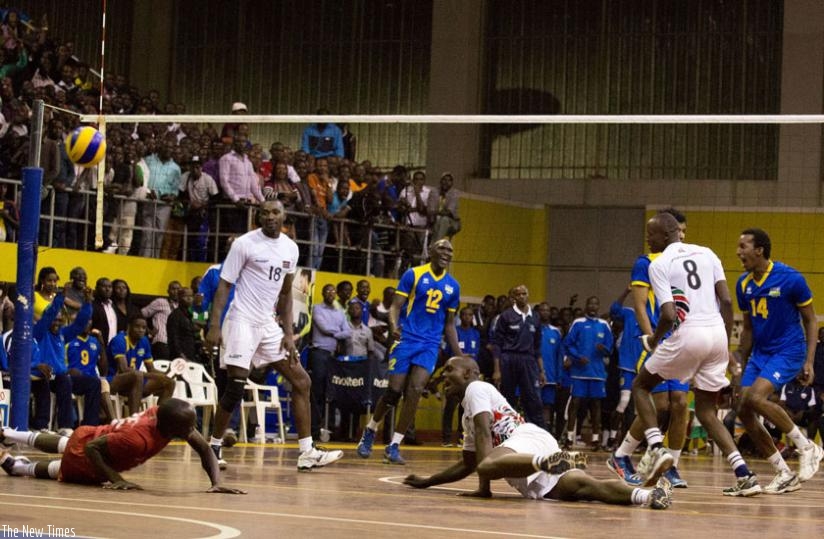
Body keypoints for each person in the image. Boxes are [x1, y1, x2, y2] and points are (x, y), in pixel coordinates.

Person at [402, 356, 672, 510]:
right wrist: (428, 481)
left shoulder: (476, 389)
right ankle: (648, 496)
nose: (444, 374)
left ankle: (546, 463)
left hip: (525, 442)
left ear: (471, 373)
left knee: (488, 463)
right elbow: (468, 464)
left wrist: (485, 478)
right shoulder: (467, 415)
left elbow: (485, 438)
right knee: (588, 488)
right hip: (529, 451)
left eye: (450, 369)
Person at [204, 199, 343, 471]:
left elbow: (286, 295)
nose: (270, 217)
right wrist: (214, 325)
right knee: (235, 386)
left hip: (268, 324)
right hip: (241, 320)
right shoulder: (244, 244)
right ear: (258, 217)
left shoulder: (290, 248)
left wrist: (288, 334)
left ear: (284, 216)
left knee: (301, 380)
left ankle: (307, 452)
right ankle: (214, 446)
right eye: (265, 213)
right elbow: (224, 286)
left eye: (275, 212)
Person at [634, 213, 760, 496]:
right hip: (717, 336)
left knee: (641, 386)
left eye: (650, 234)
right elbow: (726, 301)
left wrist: (654, 340)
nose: (648, 239)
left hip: (688, 335)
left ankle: (655, 448)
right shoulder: (708, 253)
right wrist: (725, 344)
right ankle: (744, 473)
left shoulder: (660, 263)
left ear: (666, 235)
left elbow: (667, 314)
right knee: (706, 411)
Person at [731, 228, 824, 490]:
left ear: (759, 250)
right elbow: (747, 328)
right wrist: (739, 364)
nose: (738, 252)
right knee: (744, 409)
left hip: (788, 350)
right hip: (760, 353)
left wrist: (809, 361)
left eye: (743, 246)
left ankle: (807, 447)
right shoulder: (743, 284)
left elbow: (811, 320)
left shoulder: (790, 278)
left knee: (757, 398)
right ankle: (783, 473)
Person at [356, 239, 462, 464]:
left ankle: (394, 444)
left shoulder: (454, 286)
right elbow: (395, 307)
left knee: (415, 389)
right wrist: (394, 328)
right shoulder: (413, 274)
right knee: (394, 391)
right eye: (442, 248)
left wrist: (459, 356)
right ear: (431, 251)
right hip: (407, 338)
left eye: (450, 250)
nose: (447, 252)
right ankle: (371, 429)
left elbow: (450, 324)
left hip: (430, 344)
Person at [0, 399, 245, 494]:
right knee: (58, 467)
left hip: (94, 434)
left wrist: (216, 484)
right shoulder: (138, 438)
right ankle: (16, 467)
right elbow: (92, 450)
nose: (192, 430)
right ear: (171, 428)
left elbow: (204, 449)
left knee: (66, 442)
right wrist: (116, 478)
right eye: (188, 427)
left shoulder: (165, 416)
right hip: (93, 455)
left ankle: (8, 434)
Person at [608, 210, 691, 488]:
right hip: (658, 342)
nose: (681, 236)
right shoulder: (645, 263)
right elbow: (641, 305)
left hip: (683, 343)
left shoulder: (687, 262)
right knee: (661, 405)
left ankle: (672, 466)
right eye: (677, 230)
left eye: (684, 231)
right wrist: (650, 338)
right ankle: (622, 455)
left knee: (680, 404)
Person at [490, 285, 547, 429]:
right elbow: (497, 344)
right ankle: (505, 431)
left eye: (524, 293)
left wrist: (541, 371)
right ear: (514, 297)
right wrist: (497, 370)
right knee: (507, 398)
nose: (522, 296)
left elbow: (537, 347)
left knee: (533, 399)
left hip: (528, 361)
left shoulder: (535, 316)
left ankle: (537, 433)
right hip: (508, 359)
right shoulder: (506, 316)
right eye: (519, 294)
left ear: (528, 295)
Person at [563, 296, 612, 450]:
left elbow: (609, 348)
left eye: (595, 304)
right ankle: (569, 438)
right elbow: (568, 344)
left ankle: (596, 440)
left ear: (598, 306)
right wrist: (577, 357)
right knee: (575, 404)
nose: (592, 306)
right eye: (590, 303)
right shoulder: (578, 323)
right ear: (586, 305)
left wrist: (603, 349)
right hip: (579, 372)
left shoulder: (604, 325)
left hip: (597, 372)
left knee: (596, 406)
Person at [107, 315, 175, 416]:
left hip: (136, 382)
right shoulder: (119, 340)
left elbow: (151, 369)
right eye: (137, 327)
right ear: (129, 327)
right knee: (137, 376)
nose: (141, 330)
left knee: (169, 382)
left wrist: (168, 373)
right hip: (115, 381)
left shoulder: (144, 341)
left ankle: (159, 419)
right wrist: (154, 376)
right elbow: (124, 369)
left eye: (143, 328)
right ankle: (134, 419)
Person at [308, 284, 351, 440]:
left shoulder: (340, 312)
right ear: (323, 293)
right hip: (319, 353)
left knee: (332, 392)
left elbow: (348, 332)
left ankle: (328, 429)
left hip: (333, 357)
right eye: (328, 291)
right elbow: (324, 328)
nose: (331, 293)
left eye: (333, 291)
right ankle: (313, 429)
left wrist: (336, 333)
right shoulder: (317, 309)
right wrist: (338, 332)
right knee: (317, 392)